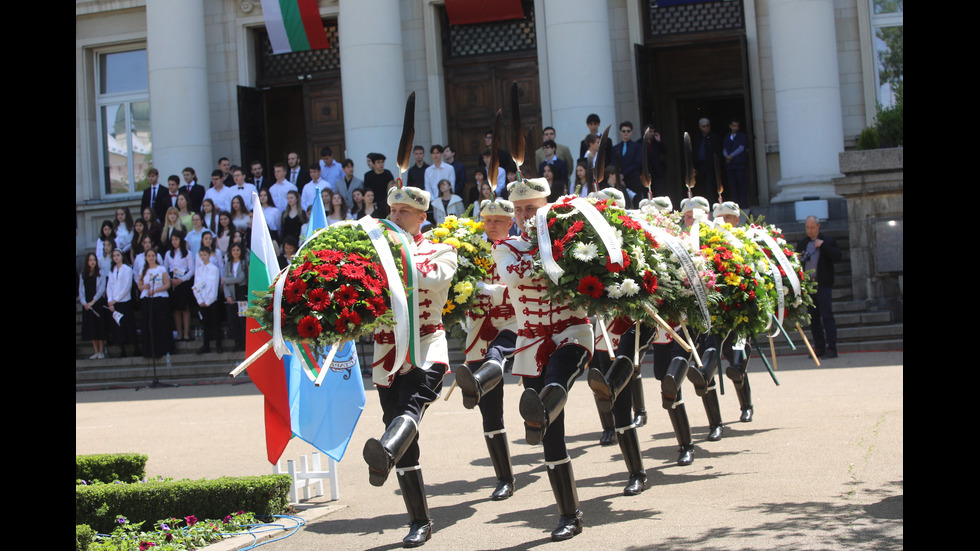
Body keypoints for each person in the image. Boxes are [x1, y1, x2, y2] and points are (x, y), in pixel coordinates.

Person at [492, 177, 593, 541]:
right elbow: (514, 275)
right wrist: (549, 254)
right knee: (554, 438)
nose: (523, 215)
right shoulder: (506, 248)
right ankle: (570, 515)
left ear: (546, 207)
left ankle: (539, 411)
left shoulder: (575, 239)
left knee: (557, 382)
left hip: (572, 333)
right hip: (531, 343)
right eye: (518, 209)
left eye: (531, 208)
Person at [362, 185, 457, 548]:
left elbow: (431, 278)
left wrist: (392, 254)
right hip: (387, 356)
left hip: (426, 347)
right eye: (393, 211)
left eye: (404, 213)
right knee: (403, 436)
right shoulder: (372, 253)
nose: (396, 217)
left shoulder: (442, 251)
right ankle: (420, 521)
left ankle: (384, 452)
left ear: (422, 218)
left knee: (411, 408)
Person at [454, 196, 519, 501]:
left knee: (502, 357)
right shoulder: (470, 251)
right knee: (490, 412)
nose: (491, 226)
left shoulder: (519, 248)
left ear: (511, 222)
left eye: (498, 221)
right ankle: (504, 477)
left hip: (515, 327)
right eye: (487, 220)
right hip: (479, 332)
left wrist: (500, 292)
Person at [797, 215, 841, 360]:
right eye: (807, 228)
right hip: (809, 287)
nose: (810, 230)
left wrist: (823, 246)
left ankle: (831, 348)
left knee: (827, 317)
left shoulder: (828, 241)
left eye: (812, 227)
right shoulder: (802, 243)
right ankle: (819, 347)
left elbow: (838, 256)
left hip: (823, 284)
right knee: (813, 319)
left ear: (818, 227)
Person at [137, 247, 173, 358]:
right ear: (146, 258)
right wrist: (144, 287)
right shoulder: (143, 270)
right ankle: (149, 350)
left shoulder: (161, 269)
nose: (151, 258)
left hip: (159, 298)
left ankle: (162, 349)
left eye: (153, 256)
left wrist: (155, 290)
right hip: (147, 299)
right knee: (149, 324)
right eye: (149, 256)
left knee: (160, 324)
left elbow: (167, 284)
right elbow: (139, 285)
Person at [106, 248, 138, 358]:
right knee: (117, 326)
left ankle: (136, 348)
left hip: (124, 301)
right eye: (114, 255)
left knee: (128, 325)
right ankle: (122, 349)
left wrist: (116, 299)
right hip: (114, 303)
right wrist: (110, 300)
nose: (116, 257)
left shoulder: (127, 269)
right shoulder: (112, 270)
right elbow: (109, 286)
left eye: (118, 255)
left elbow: (126, 287)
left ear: (122, 256)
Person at [164, 230, 194, 342]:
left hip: (184, 282)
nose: (174, 242)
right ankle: (179, 334)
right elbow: (165, 268)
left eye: (176, 239)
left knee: (185, 308)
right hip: (172, 282)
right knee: (176, 310)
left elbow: (191, 270)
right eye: (172, 239)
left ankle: (186, 334)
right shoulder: (168, 254)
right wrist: (170, 280)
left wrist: (181, 280)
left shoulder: (187, 253)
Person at [193, 246, 222, 354]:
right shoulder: (199, 270)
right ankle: (206, 345)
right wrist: (200, 300)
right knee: (205, 324)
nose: (203, 257)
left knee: (216, 323)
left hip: (212, 301)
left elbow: (214, 286)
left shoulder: (214, 269)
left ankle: (219, 345)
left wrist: (209, 300)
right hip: (202, 301)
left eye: (205, 254)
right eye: (201, 255)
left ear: (210, 255)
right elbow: (196, 286)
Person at [79, 252, 108, 360]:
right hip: (87, 305)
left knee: (99, 327)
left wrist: (93, 301)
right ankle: (95, 351)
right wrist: (84, 302)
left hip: (97, 303)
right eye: (90, 260)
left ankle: (101, 351)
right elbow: (81, 290)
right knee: (91, 328)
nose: (92, 262)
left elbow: (102, 288)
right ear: (87, 262)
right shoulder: (83, 275)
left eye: (94, 260)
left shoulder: (100, 273)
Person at [222, 241, 248, 351]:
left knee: (242, 320)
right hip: (231, 294)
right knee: (233, 320)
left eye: (237, 250)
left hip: (241, 294)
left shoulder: (243, 263)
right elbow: (224, 283)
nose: (235, 252)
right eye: (233, 250)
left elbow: (241, 279)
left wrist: (227, 280)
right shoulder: (227, 264)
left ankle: (244, 343)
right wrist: (227, 296)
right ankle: (237, 342)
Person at [612, 121, 643, 207]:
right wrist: (619, 177)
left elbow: (637, 163)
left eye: (628, 131)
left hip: (633, 179)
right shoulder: (615, 148)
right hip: (620, 181)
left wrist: (623, 175)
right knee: (621, 203)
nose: (626, 133)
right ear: (620, 132)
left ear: (631, 132)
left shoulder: (637, 146)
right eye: (624, 131)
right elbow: (613, 164)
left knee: (636, 203)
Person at [692, 118, 722, 199]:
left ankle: (711, 204)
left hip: (711, 166)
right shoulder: (697, 138)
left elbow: (718, 153)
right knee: (701, 187)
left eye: (707, 126)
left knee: (710, 187)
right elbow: (694, 152)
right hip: (700, 166)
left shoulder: (715, 137)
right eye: (703, 126)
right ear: (700, 127)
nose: (706, 128)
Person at [722, 119, 749, 207]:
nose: (735, 128)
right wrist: (726, 156)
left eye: (737, 126)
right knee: (732, 187)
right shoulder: (727, 137)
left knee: (741, 186)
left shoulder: (741, 136)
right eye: (734, 126)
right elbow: (724, 148)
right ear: (730, 126)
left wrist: (731, 156)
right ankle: (735, 206)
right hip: (730, 166)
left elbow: (741, 148)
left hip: (739, 165)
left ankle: (743, 205)